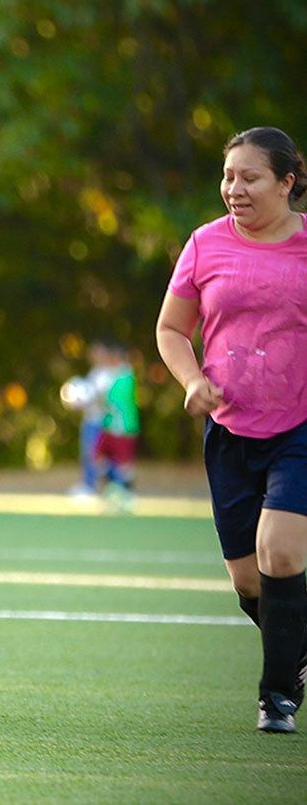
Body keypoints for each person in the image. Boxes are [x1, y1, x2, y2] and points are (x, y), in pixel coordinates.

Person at [156, 126, 307, 734]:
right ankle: (295, 649)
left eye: (250, 178)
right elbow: (171, 330)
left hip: (298, 428)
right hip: (229, 432)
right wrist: (192, 380)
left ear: (286, 182)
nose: (234, 189)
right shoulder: (205, 243)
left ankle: (277, 696)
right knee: (248, 579)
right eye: (228, 177)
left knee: (280, 550)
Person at [60, 340, 115, 497]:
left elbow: (102, 397)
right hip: (90, 421)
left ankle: (104, 486)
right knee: (88, 454)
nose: (95, 355)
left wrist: (87, 398)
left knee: (99, 457)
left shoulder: (108, 374)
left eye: (99, 352)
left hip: (100, 422)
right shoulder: (94, 372)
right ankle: (89, 485)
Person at [94, 340, 140, 514]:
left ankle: (129, 497)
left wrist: (99, 399)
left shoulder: (125, 377)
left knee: (125, 464)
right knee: (99, 456)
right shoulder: (112, 375)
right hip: (110, 427)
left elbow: (114, 402)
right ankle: (109, 492)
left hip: (123, 428)